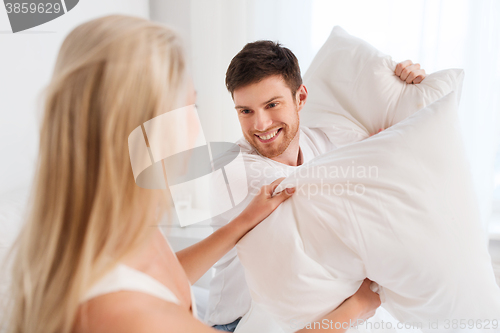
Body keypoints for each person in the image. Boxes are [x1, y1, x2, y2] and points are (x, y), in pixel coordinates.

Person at [5, 15, 381, 333]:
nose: (197, 127)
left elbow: (165, 276)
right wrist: (354, 311)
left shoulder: (112, 229)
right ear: (144, 131)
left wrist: (241, 224)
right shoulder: (126, 315)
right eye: (189, 106)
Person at [205, 41, 426, 331]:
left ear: (301, 98)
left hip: (306, 313)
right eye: (245, 111)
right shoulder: (234, 171)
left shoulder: (324, 140)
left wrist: (412, 89)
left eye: (272, 105)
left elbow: (394, 148)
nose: (260, 124)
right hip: (238, 322)